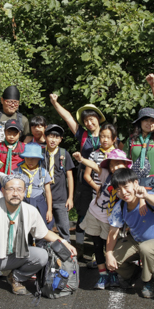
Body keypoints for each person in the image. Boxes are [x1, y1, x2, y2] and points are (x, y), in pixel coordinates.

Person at [0, 174, 77, 299]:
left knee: (41, 255)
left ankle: (15, 278)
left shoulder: (30, 210)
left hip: (15, 256)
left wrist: (65, 242)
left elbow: (45, 233)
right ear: (3, 191)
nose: (15, 193)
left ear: (24, 192)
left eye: (19, 190)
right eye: (10, 189)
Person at [106, 169, 154, 298]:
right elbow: (112, 232)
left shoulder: (150, 196)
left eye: (126, 187)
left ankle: (148, 280)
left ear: (135, 183)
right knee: (114, 257)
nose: (123, 193)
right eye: (118, 190)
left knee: (146, 248)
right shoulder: (120, 206)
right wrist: (108, 253)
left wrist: (145, 197)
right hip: (137, 241)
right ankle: (135, 274)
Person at [49, 92, 106, 257]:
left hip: (102, 177)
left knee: (103, 212)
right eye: (86, 120)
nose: (89, 123)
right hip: (84, 179)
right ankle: (79, 246)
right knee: (82, 212)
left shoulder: (108, 133)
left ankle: (99, 249)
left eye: (91, 119)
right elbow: (68, 118)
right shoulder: (83, 134)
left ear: (98, 118)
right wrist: (54, 103)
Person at [72, 149, 136, 290]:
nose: (114, 168)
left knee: (109, 246)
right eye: (112, 165)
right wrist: (81, 159)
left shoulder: (128, 182)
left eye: (118, 164)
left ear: (125, 165)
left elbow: (139, 193)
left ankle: (112, 272)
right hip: (94, 213)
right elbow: (94, 166)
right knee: (96, 245)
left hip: (110, 220)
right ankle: (102, 274)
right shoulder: (106, 174)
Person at [123, 94, 154, 182]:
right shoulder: (132, 140)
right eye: (146, 120)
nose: (149, 123)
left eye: (152, 121)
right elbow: (124, 161)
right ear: (140, 122)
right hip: (136, 182)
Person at [43, 124, 75, 241]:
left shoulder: (64, 154)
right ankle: (48, 255)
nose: (53, 140)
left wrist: (70, 197)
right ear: (45, 137)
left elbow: (70, 176)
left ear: (61, 139)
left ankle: (67, 256)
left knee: (64, 229)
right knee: (45, 228)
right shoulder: (40, 153)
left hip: (61, 198)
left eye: (57, 137)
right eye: (51, 136)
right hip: (44, 198)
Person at [13, 143, 54, 232]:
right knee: (22, 225)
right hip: (22, 201)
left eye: (33, 158)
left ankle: (41, 244)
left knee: (41, 225)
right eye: (27, 158)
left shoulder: (43, 172)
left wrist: (49, 210)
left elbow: (48, 192)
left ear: (39, 159)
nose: (30, 161)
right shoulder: (17, 171)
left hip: (39, 201)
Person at [83, 122, 118, 195]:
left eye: (108, 137)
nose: (105, 140)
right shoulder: (94, 154)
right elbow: (86, 175)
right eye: (102, 136)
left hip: (115, 193)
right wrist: (96, 187)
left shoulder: (118, 155)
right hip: (97, 194)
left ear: (114, 139)